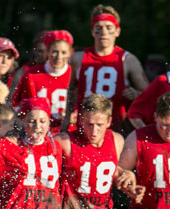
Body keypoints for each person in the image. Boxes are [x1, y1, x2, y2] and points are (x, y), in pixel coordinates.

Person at [62, 4, 149, 132]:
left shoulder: (128, 60)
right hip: (85, 128)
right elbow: (71, 89)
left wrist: (136, 94)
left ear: (117, 31)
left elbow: (148, 95)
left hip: (117, 130)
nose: (104, 32)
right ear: (92, 31)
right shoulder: (78, 59)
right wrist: (67, 118)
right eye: (99, 28)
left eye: (109, 27)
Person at [10, 30, 74, 132]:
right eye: (54, 52)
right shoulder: (32, 75)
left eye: (64, 52)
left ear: (70, 53)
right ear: (47, 51)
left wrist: (73, 115)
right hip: (39, 132)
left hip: (67, 131)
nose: (59, 57)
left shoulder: (74, 74)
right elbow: (16, 104)